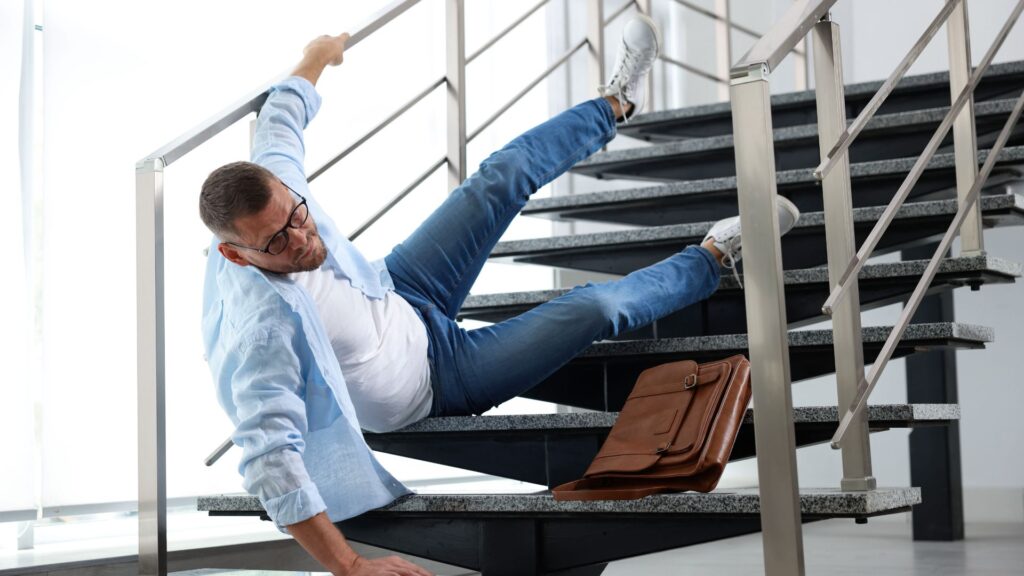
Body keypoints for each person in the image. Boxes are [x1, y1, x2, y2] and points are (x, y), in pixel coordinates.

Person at [200, 16, 799, 576]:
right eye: (279, 242)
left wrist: (315, 57)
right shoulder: (259, 331)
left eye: (298, 215)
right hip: (439, 381)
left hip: (401, 288)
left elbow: (282, 119)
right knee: (592, 309)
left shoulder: (278, 188)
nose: (303, 239)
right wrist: (350, 566)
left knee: (500, 175)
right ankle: (713, 256)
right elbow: (269, 455)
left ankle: (617, 100)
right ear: (235, 254)